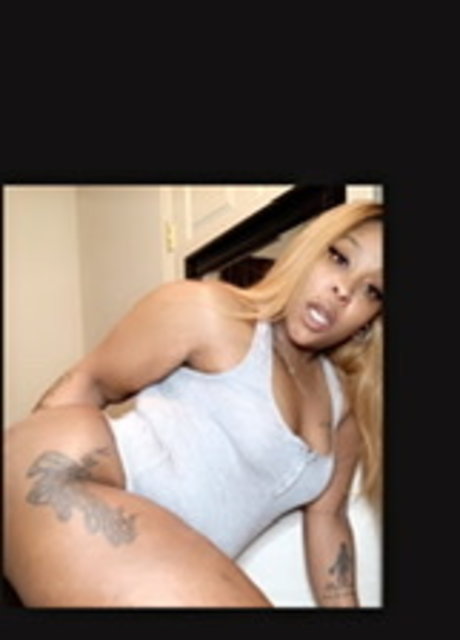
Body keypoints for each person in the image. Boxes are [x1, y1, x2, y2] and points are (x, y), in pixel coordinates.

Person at [3, 200, 383, 609]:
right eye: (338, 257)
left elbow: (328, 518)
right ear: (307, 250)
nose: (344, 291)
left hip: (167, 555)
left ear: (373, 317)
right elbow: (89, 382)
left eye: (372, 290)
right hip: (71, 474)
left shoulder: (342, 407)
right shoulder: (211, 312)